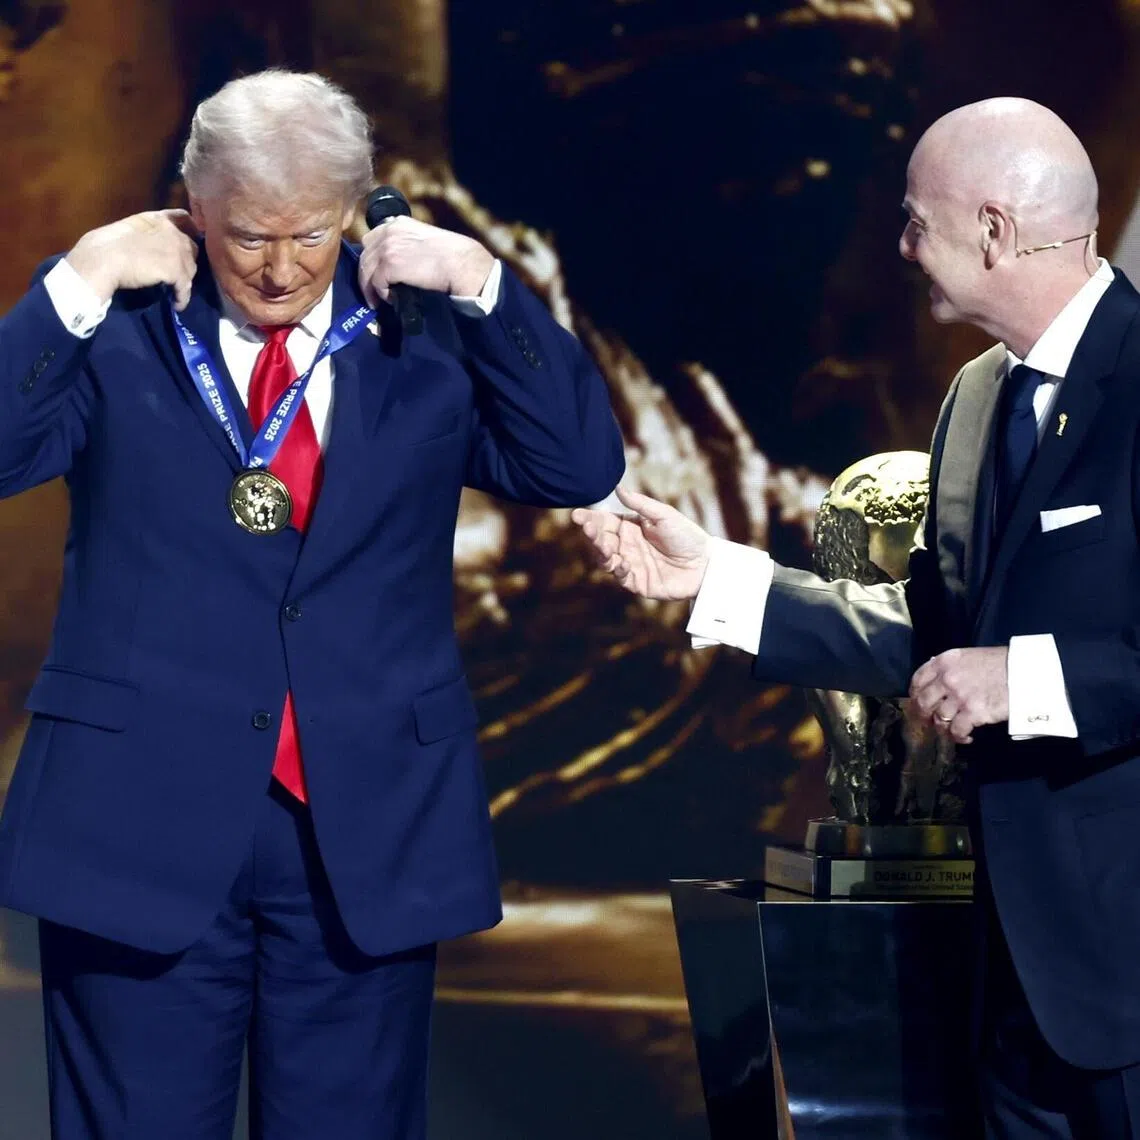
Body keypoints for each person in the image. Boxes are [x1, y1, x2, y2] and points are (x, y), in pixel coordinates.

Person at [0, 69, 623, 1139]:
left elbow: (575, 463)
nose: (281, 269)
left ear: (351, 211)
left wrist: (483, 284)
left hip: (361, 835)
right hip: (137, 821)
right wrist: (79, 276)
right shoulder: (118, 328)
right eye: (247, 238)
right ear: (192, 206)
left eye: (309, 236)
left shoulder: (424, 340)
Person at [573, 96, 1140, 1139]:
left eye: (917, 221)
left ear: (997, 231)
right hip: (1007, 978)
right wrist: (718, 580)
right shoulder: (976, 398)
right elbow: (930, 628)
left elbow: (1015, 666)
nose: (901, 246)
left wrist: (1035, 680)